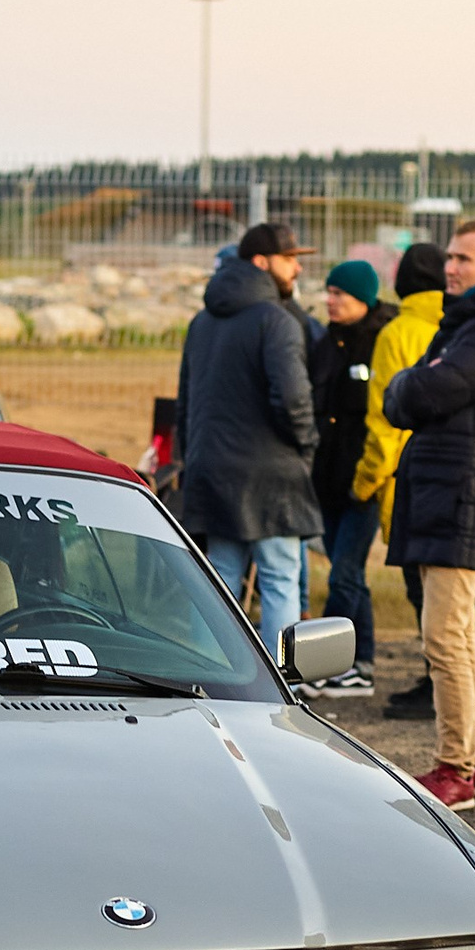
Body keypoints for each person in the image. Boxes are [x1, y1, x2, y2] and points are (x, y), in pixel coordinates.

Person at [381, 219, 475, 812]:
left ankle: (454, 768)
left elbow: (413, 396)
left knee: (443, 637)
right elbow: (405, 395)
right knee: (460, 635)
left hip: (462, 497)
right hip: (447, 494)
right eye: (449, 256)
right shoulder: (465, 326)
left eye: (464, 259)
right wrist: (409, 385)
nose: (451, 267)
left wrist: (409, 384)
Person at [173, 221, 318, 653]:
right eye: (289, 259)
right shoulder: (276, 320)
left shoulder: (202, 321)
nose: (297, 269)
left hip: (211, 468)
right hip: (271, 474)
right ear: (261, 261)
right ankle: (282, 686)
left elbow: (186, 401)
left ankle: (212, 680)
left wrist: (191, 457)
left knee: (218, 582)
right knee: (278, 577)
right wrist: (306, 444)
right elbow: (293, 397)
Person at [352, 242, 446, 718]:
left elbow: (385, 422)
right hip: (454, 480)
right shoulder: (459, 327)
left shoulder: (397, 334)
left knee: (421, 592)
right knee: (445, 594)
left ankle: (437, 687)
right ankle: (441, 682)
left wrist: (365, 482)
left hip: (406, 482)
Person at [301, 259, 393, 699]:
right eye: (329, 292)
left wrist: (368, 477)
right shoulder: (324, 343)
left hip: (365, 482)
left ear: (364, 297)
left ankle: (327, 663)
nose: (330, 300)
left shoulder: (381, 341)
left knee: (344, 574)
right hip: (328, 479)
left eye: (340, 294)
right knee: (350, 575)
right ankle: (361, 663)